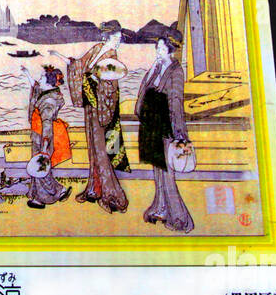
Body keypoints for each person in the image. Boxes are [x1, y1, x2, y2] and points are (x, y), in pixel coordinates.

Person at [54, 31, 129, 213]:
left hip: (103, 107)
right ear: (107, 37)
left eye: (119, 39)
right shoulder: (97, 49)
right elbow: (79, 64)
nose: (118, 42)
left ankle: (112, 195)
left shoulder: (112, 57)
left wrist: (97, 79)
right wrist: (62, 58)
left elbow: (111, 84)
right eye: (115, 38)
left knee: (102, 150)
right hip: (91, 104)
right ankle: (94, 189)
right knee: (93, 149)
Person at [136, 37, 196, 232]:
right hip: (152, 124)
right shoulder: (158, 67)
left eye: (161, 48)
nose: (157, 50)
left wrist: (179, 132)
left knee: (167, 172)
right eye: (157, 47)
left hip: (166, 125)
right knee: (157, 169)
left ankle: (179, 217)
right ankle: (161, 207)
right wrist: (153, 69)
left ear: (170, 50)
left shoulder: (176, 71)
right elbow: (144, 89)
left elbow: (176, 101)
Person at [21, 65, 73, 208]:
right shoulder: (48, 92)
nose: (39, 79)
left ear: (49, 83)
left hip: (44, 137)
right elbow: (36, 86)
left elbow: (47, 125)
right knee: (39, 168)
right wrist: (27, 74)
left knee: (40, 168)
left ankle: (51, 194)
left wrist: (44, 146)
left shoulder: (49, 102)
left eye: (42, 77)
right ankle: (50, 194)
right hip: (39, 134)